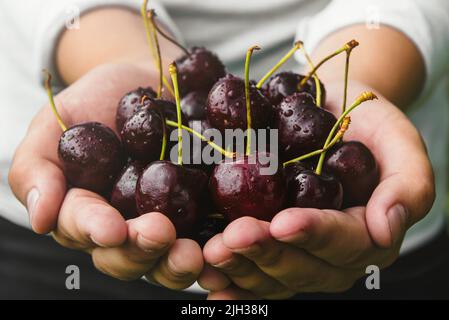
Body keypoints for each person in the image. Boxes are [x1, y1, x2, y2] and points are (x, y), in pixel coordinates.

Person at [2, 0, 449, 299]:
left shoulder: (290, 145)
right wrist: (111, 48)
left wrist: (374, 62)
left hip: (368, 257)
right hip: (56, 258)